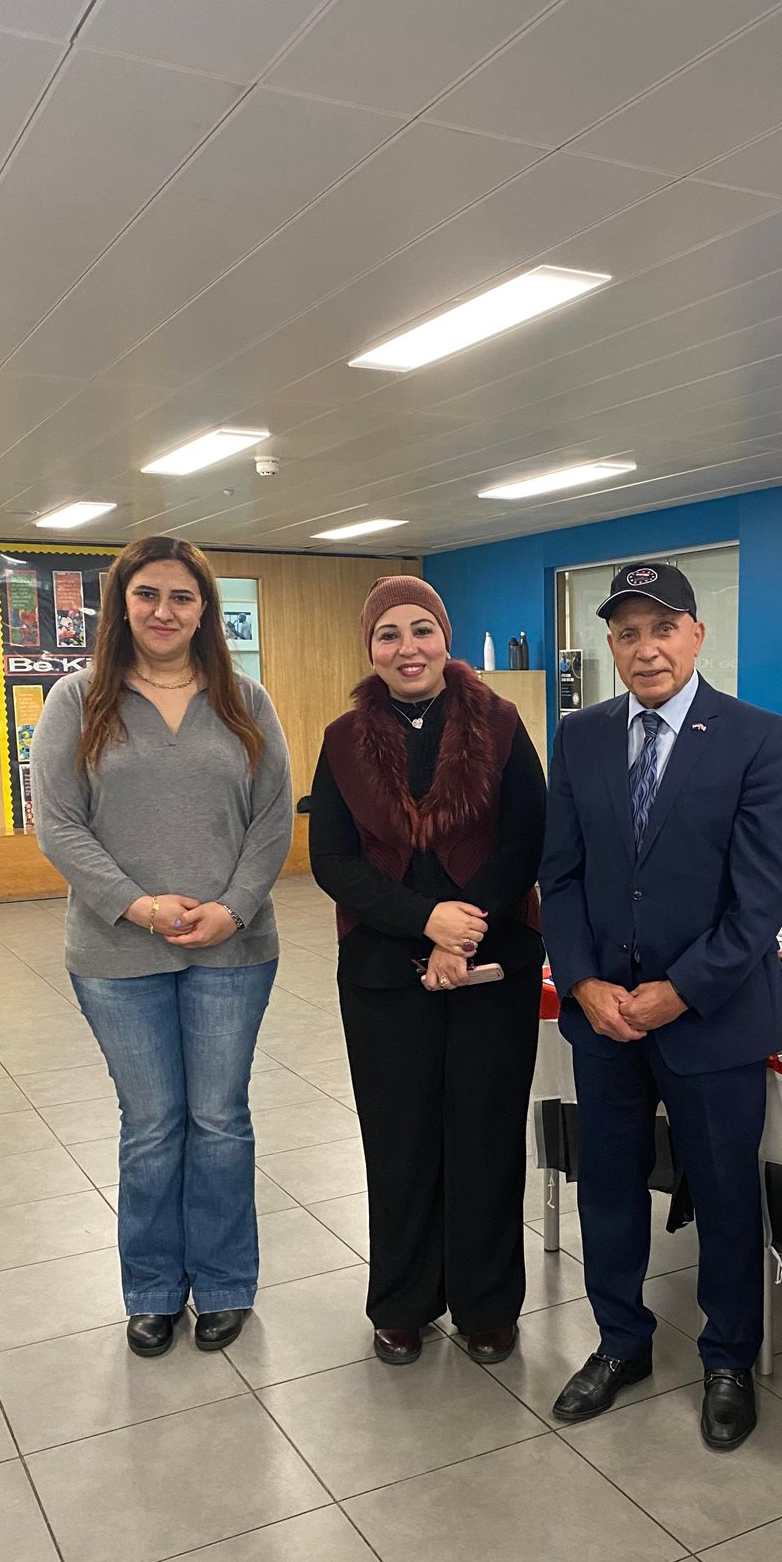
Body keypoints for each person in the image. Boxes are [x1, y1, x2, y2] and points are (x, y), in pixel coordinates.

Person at [540, 561, 782, 1450]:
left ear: (696, 634)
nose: (645, 649)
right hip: (605, 1015)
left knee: (725, 1192)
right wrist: (582, 983)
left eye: (662, 628)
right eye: (627, 633)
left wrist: (678, 992)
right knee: (608, 1185)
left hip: (714, 1015)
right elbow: (560, 876)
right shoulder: (580, 736)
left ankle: (728, 1358)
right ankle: (620, 1341)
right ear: (611, 645)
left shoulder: (757, 737)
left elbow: (761, 899)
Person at [33, 536, 292, 1359]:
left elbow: (273, 818)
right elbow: (59, 824)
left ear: (205, 610)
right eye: (147, 594)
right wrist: (139, 906)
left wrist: (234, 910)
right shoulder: (78, 700)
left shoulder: (246, 700)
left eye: (182, 597)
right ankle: (150, 1291)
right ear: (121, 603)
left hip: (233, 951)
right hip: (117, 955)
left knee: (219, 1119)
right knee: (151, 1124)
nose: (164, 611)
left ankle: (224, 1285)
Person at [309, 576, 545, 1367]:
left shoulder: (500, 724)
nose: (407, 648)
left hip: (495, 959)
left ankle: (487, 1304)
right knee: (399, 1138)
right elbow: (332, 860)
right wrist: (425, 922)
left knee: (486, 1133)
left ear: (445, 638)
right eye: (389, 634)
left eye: (422, 630)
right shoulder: (343, 739)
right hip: (381, 965)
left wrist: (460, 930)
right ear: (370, 649)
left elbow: (527, 839)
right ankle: (403, 1302)